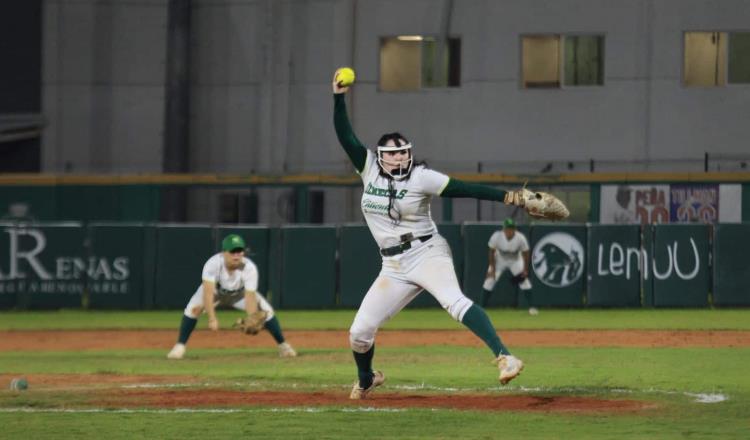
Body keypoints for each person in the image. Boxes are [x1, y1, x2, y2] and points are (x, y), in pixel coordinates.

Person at [332, 68, 526, 399]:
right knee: (359, 333)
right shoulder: (368, 170)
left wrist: (508, 197)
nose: (400, 156)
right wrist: (338, 98)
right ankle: (366, 378)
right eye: (392, 153)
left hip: (426, 252)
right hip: (392, 266)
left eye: (404, 151)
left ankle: (505, 356)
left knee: (455, 302)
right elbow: (346, 136)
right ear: (381, 157)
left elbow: (465, 188)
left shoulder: (421, 177)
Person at [166, 234, 297, 359]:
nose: (236, 255)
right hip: (216, 294)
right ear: (224, 253)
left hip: (239, 295)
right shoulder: (213, 264)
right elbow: (208, 293)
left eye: (239, 251)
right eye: (233, 251)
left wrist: (251, 318)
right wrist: (212, 318)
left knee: (266, 312)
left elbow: (250, 296)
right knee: (193, 309)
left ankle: (283, 346)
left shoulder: (249, 268)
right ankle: (179, 346)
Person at [481, 218, 537, 315]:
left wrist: (525, 270)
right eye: (507, 228)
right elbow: (491, 252)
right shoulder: (497, 236)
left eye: (511, 228)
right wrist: (492, 269)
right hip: (499, 260)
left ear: (515, 229)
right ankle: (481, 308)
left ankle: (532, 308)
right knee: (489, 280)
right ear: (504, 229)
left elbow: (526, 253)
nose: (509, 231)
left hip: (515, 260)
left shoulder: (520, 238)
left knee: (524, 282)